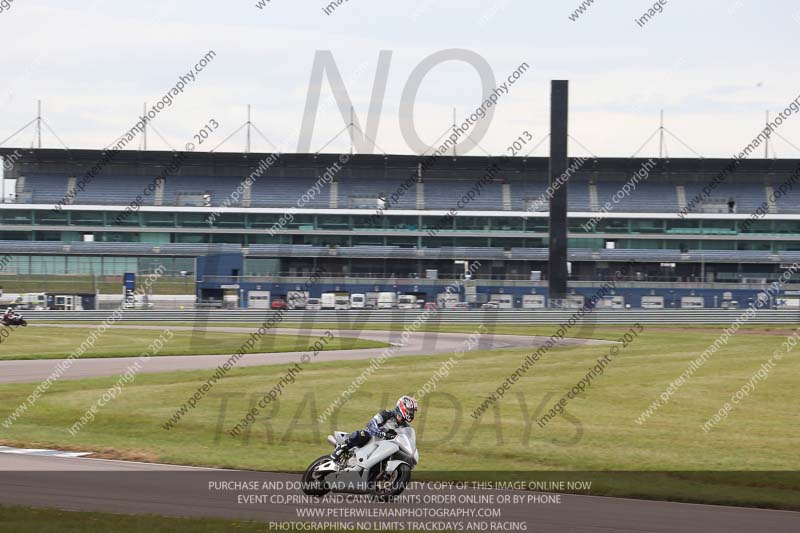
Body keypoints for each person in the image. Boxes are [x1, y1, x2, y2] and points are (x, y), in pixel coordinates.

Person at [330, 396, 418, 463]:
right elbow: (371, 423)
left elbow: (407, 441)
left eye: (413, 411)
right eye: (410, 410)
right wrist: (379, 432)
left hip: (386, 446)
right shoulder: (387, 414)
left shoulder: (406, 427)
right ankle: (341, 448)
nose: (412, 413)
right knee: (363, 434)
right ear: (402, 406)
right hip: (372, 439)